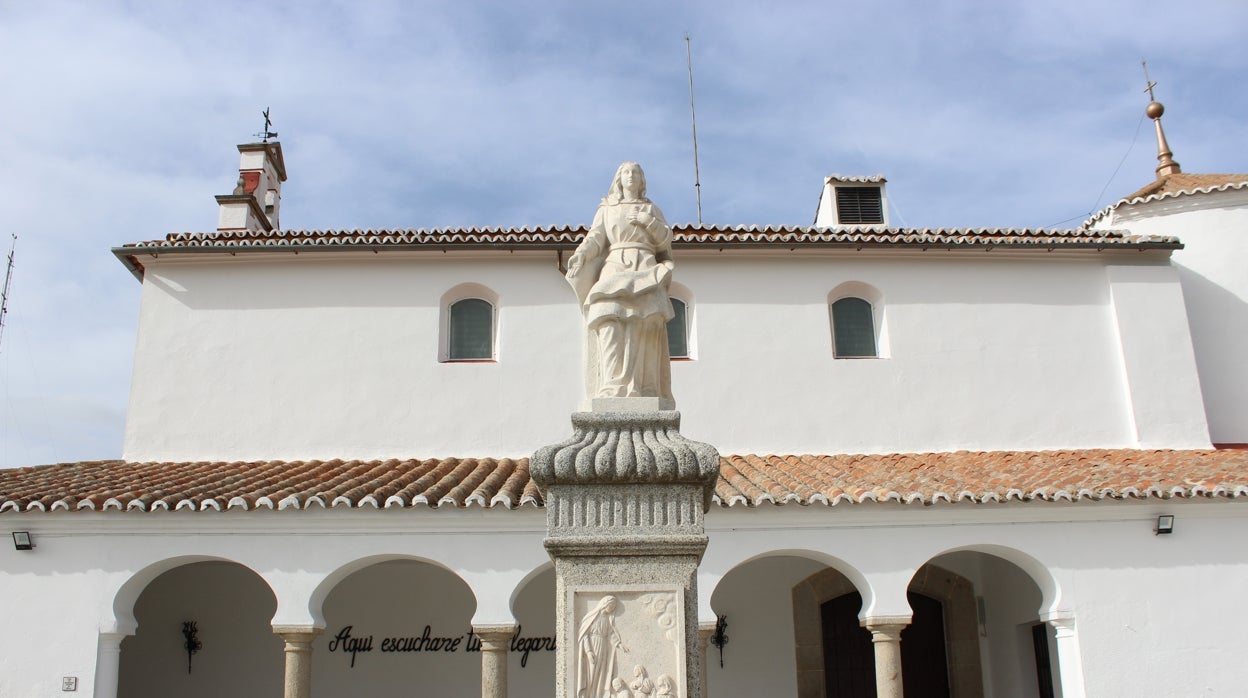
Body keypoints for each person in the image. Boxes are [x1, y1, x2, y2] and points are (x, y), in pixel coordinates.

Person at [566, 162, 675, 402]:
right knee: (607, 317)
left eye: (636, 172)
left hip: (646, 265)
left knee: (647, 322)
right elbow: (596, 237)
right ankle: (612, 384)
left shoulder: (651, 209)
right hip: (615, 264)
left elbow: (665, 241)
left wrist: (648, 222)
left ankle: (645, 386)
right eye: (626, 172)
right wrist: (582, 254)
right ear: (619, 178)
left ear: (642, 180)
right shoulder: (608, 208)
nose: (631, 176)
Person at [577, 595, 629, 698]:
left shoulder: (608, 620)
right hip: (593, 646)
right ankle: (588, 695)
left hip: (603, 648)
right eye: (611, 605)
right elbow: (585, 635)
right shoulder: (592, 617)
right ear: (605, 604)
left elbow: (611, 634)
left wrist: (619, 644)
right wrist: (588, 651)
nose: (612, 608)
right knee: (591, 673)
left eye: (614, 607)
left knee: (601, 673)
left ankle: (598, 695)